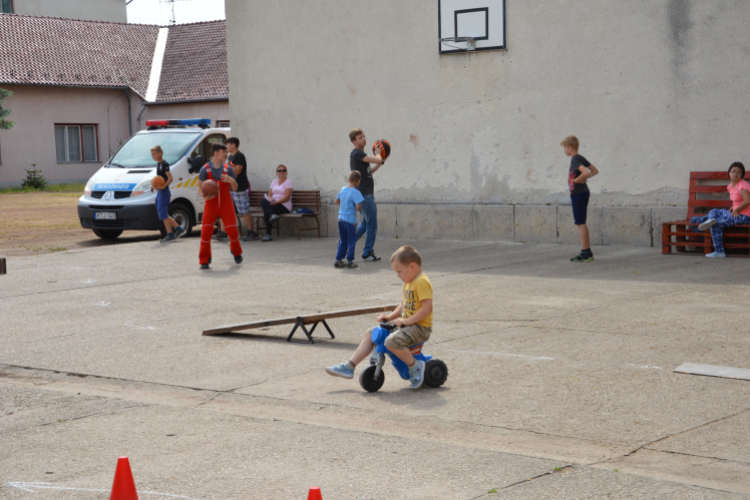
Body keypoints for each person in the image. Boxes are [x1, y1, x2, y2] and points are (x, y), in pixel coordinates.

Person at [325, 245, 433, 389]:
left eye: (399, 272)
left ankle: (415, 367)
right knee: (372, 334)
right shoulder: (409, 283)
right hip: (406, 325)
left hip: (419, 328)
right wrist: (389, 317)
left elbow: (427, 309)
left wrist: (406, 321)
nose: (398, 276)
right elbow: (403, 306)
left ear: (412, 266)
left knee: (390, 341)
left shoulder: (422, 282)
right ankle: (349, 367)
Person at [197, 142, 243, 269]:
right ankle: (204, 259)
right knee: (206, 231)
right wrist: (203, 195)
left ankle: (237, 252)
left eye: (226, 152)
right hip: (210, 204)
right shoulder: (205, 169)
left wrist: (231, 180)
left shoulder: (228, 169)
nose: (226, 154)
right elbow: (199, 187)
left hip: (226, 204)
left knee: (233, 230)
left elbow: (235, 188)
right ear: (216, 153)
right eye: (224, 152)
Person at [698, 162, 750, 258]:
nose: (736, 173)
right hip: (736, 212)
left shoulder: (742, 185)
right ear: (729, 173)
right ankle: (710, 220)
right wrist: (734, 207)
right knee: (714, 211)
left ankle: (719, 251)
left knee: (716, 223)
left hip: (745, 216)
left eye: (739, 172)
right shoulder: (731, 185)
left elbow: (747, 201)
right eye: (733, 171)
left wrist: (737, 209)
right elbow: (738, 200)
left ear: (742, 174)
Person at [562, 135, 599, 262]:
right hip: (583, 192)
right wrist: (583, 178)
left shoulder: (575, 159)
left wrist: (577, 180)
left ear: (570, 148)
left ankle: (585, 253)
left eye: (565, 148)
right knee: (581, 222)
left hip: (578, 193)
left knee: (580, 223)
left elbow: (585, 172)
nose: (564, 150)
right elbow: (594, 171)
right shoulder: (580, 157)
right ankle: (587, 251)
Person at [349, 128, 385, 261]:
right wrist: (378, 155)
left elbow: (369, 172)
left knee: (365, 222)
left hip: (365, 193)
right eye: (360, 137)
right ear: (354, 141)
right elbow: (377, 159)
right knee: (372, 224)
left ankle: (345, 243)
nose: (363, 139)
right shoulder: (356, 153)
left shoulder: (360, 155)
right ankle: (367, 252)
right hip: (364, 194)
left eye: (364, 136)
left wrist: (380, 161)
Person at [214, 137, 258, 242]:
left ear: (233, 145)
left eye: (227, 144)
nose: (226, 147)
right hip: (230, 188)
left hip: (240, 188)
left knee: (244, 211)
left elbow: (237, 171)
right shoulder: (230, 157)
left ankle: (251, 232)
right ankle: (223, 232)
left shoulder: (240, 156)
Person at [150, 145, 184, 243]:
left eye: (154, 154)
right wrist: (153, 185)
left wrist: (163, 187)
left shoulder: (165, 164)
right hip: (160, 192)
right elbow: (159, 179)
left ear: (159, 153)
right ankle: (177, 229)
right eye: (151, 154)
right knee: (162, 213)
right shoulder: (158, 164)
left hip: (164, 192)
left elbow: (170, 178)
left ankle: (171, 233)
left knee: (163, 214)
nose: (152, 156)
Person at [334, 171, 364, 269]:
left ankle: (339, 260)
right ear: (359, 181)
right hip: (351, 220)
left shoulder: (343, 189)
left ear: (348, 180)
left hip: (341, 219)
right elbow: (358, 207)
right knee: (351, 241)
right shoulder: (356, 192)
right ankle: (350, 261)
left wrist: (344, 206)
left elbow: (336, 201)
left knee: (343, 240)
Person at [260, 164, 293, 242]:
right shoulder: (274, 181)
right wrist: (271, 200)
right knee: (263, 201)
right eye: (279, 170)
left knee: (266, 211)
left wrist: (274, 203)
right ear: (277, 173)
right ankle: (273, 215)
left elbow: (287, 197)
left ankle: (268, 234)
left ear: (286, 172)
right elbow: (269, 194)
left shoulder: (289, 182)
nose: (282, 172)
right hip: (274, 203)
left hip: (284, 205)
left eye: (284, 170)